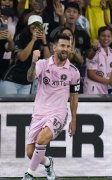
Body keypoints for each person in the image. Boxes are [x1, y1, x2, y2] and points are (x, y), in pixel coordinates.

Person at [21, 34, 80, 180]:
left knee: (41, 139)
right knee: (30, 153)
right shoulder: (42, 64)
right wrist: (33, 62)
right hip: (39, 113)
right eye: (62, 45)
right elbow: (29, 78)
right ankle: (48, 163)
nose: (66, 49)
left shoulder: (73, 71)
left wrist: (74, 119)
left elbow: (74, 96)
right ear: (55, 47)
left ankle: (29, 174)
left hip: (58, 113)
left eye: (68, 46)